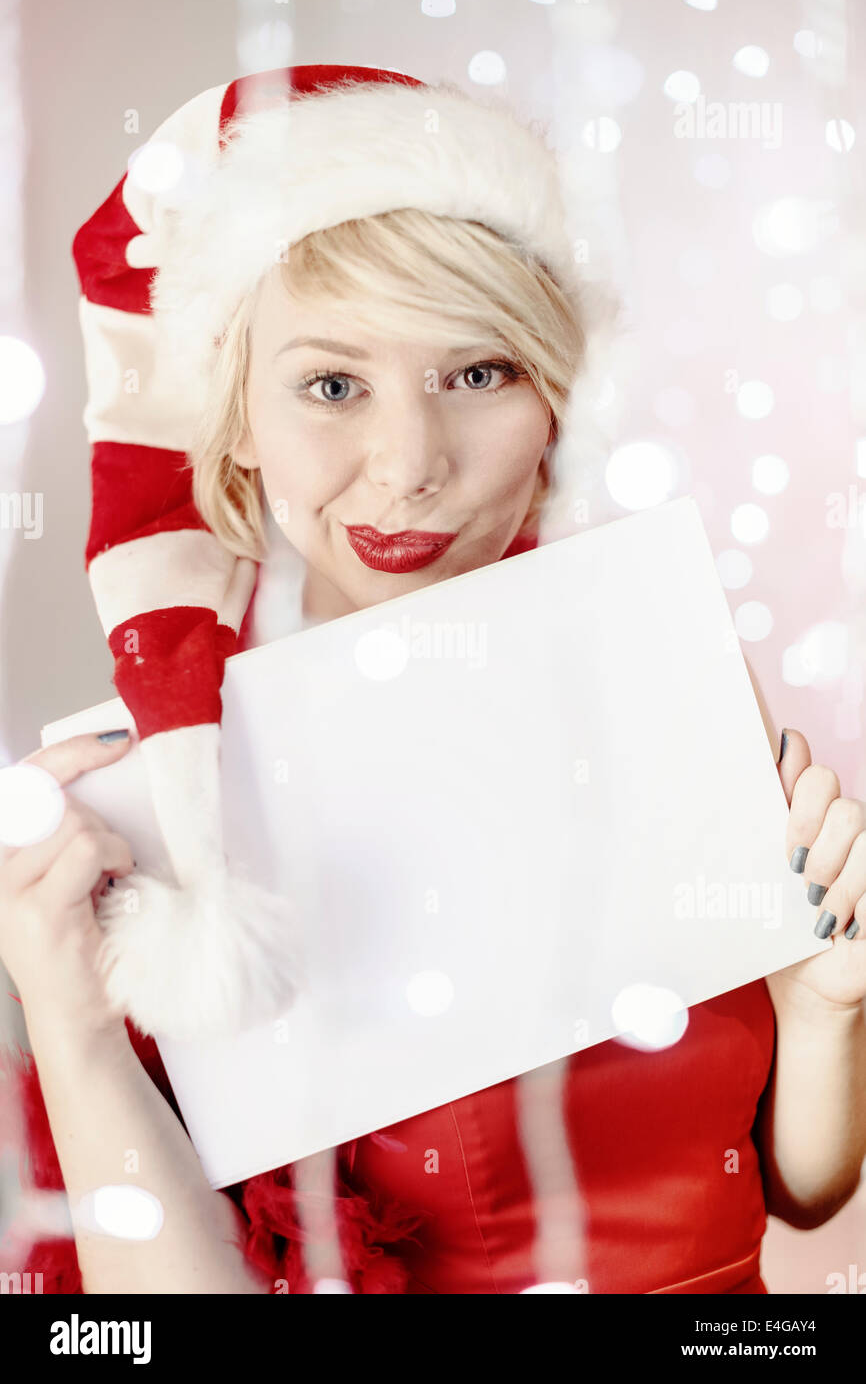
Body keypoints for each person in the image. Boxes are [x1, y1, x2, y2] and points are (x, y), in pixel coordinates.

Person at [1, 64, 865, 1295]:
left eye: (476, 374)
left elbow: (793, 1185)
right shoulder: (160, 809)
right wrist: (71, 1022)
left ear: (552, 396)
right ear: (236, 414)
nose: (408, 467)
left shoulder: (667, 670)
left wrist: (829, 994)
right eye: (331, 384)